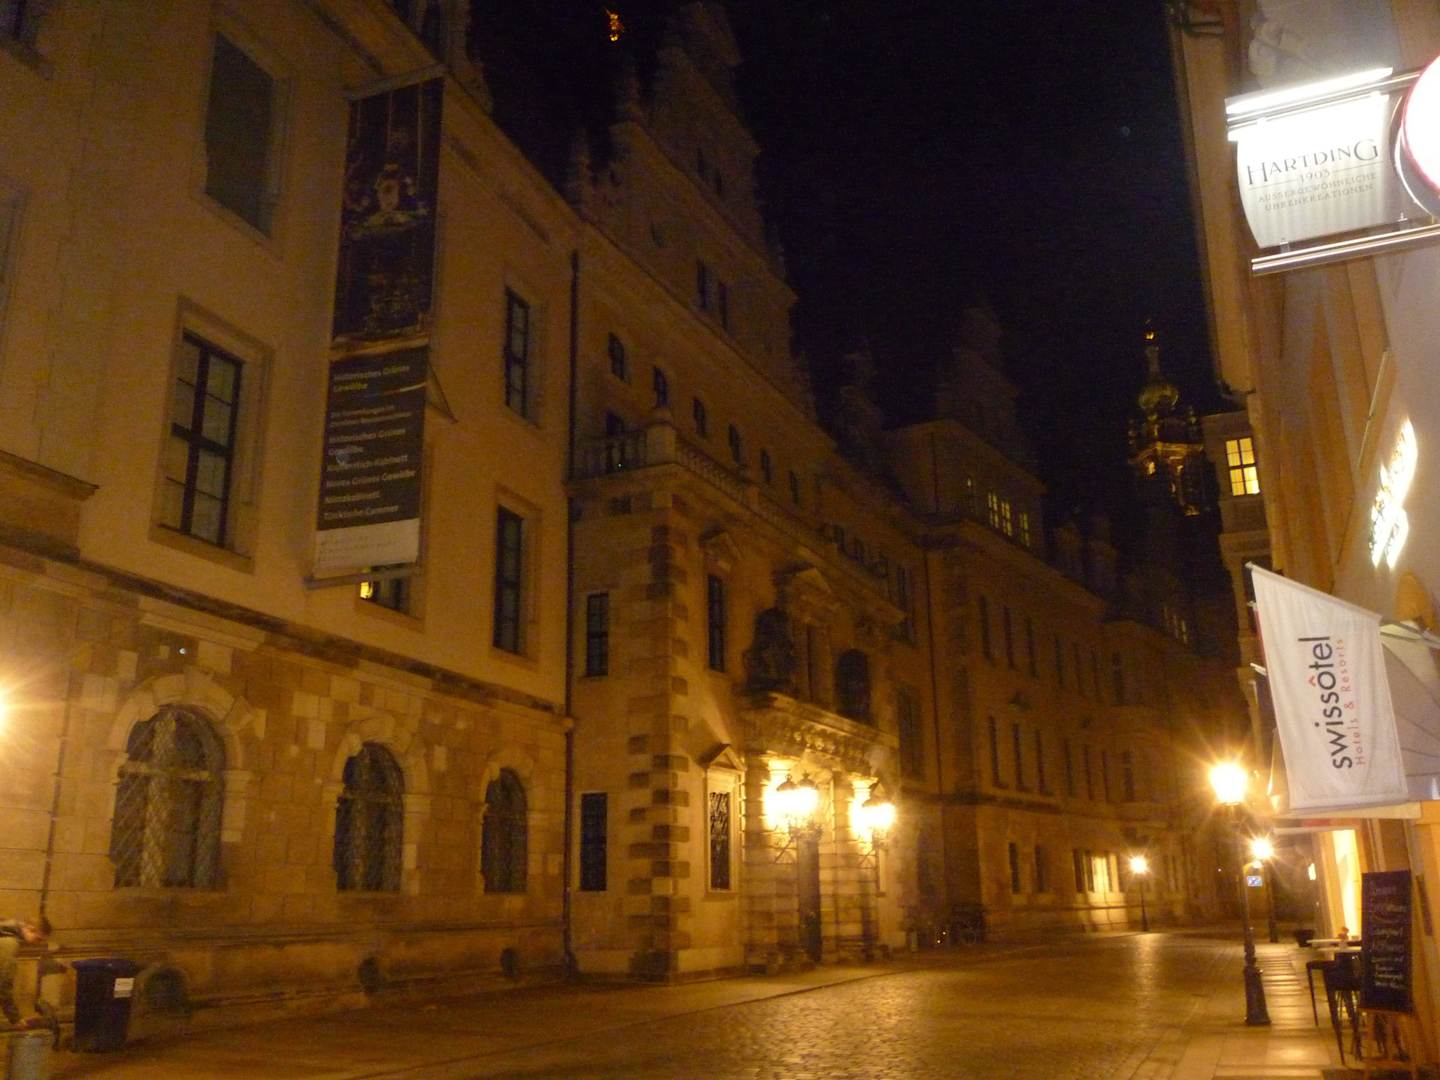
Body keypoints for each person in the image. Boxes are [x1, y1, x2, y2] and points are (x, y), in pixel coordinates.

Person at [0, 915, 51, 1027]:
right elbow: (3, 984)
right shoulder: (9, 943)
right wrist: (15, 1018)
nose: (37, 943)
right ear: (30, 929)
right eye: (38, 939)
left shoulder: (4, 932)